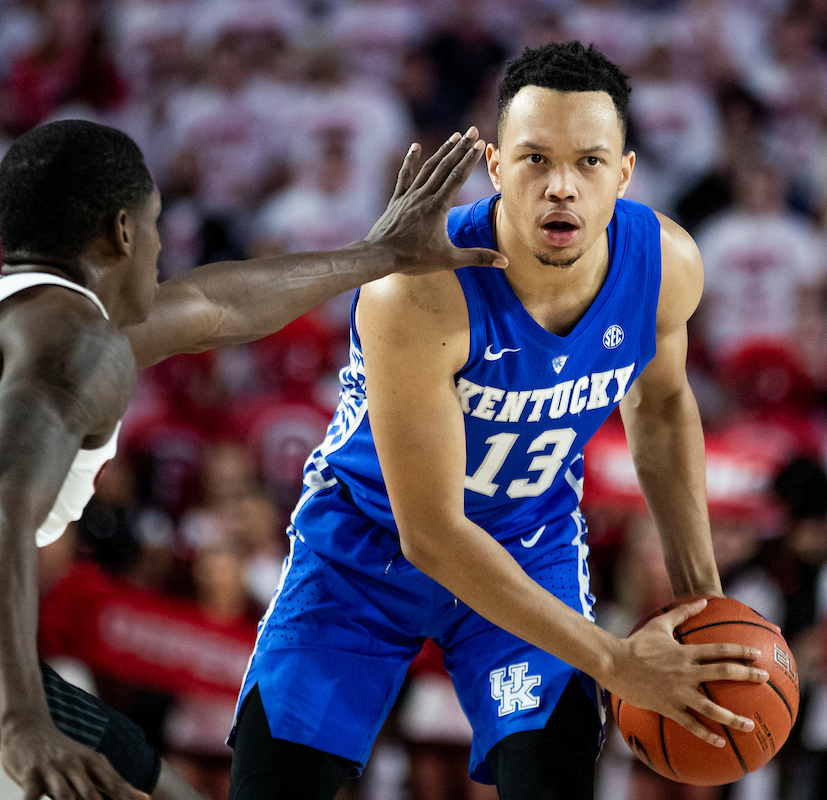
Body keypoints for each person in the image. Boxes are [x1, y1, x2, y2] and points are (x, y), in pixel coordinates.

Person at [0, 118, 502, 800]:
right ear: (124, 230)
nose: (164, 256)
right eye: (158, 229)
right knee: (135, 781)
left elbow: (216, 305)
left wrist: (379, 256)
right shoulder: (70, 337)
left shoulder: (0, 315)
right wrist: (23, 720)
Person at [228, 42, 770, 800]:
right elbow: (433, 535)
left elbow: (664, 402)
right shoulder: (418, 290)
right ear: (493, 163)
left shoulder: (667, 263)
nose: (560, 188)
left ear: (625, 172)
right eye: (534, 159)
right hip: (366, 552)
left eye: (588, 162)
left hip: (526, 540)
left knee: (550, 777)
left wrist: (700, 600)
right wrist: (617, 661)